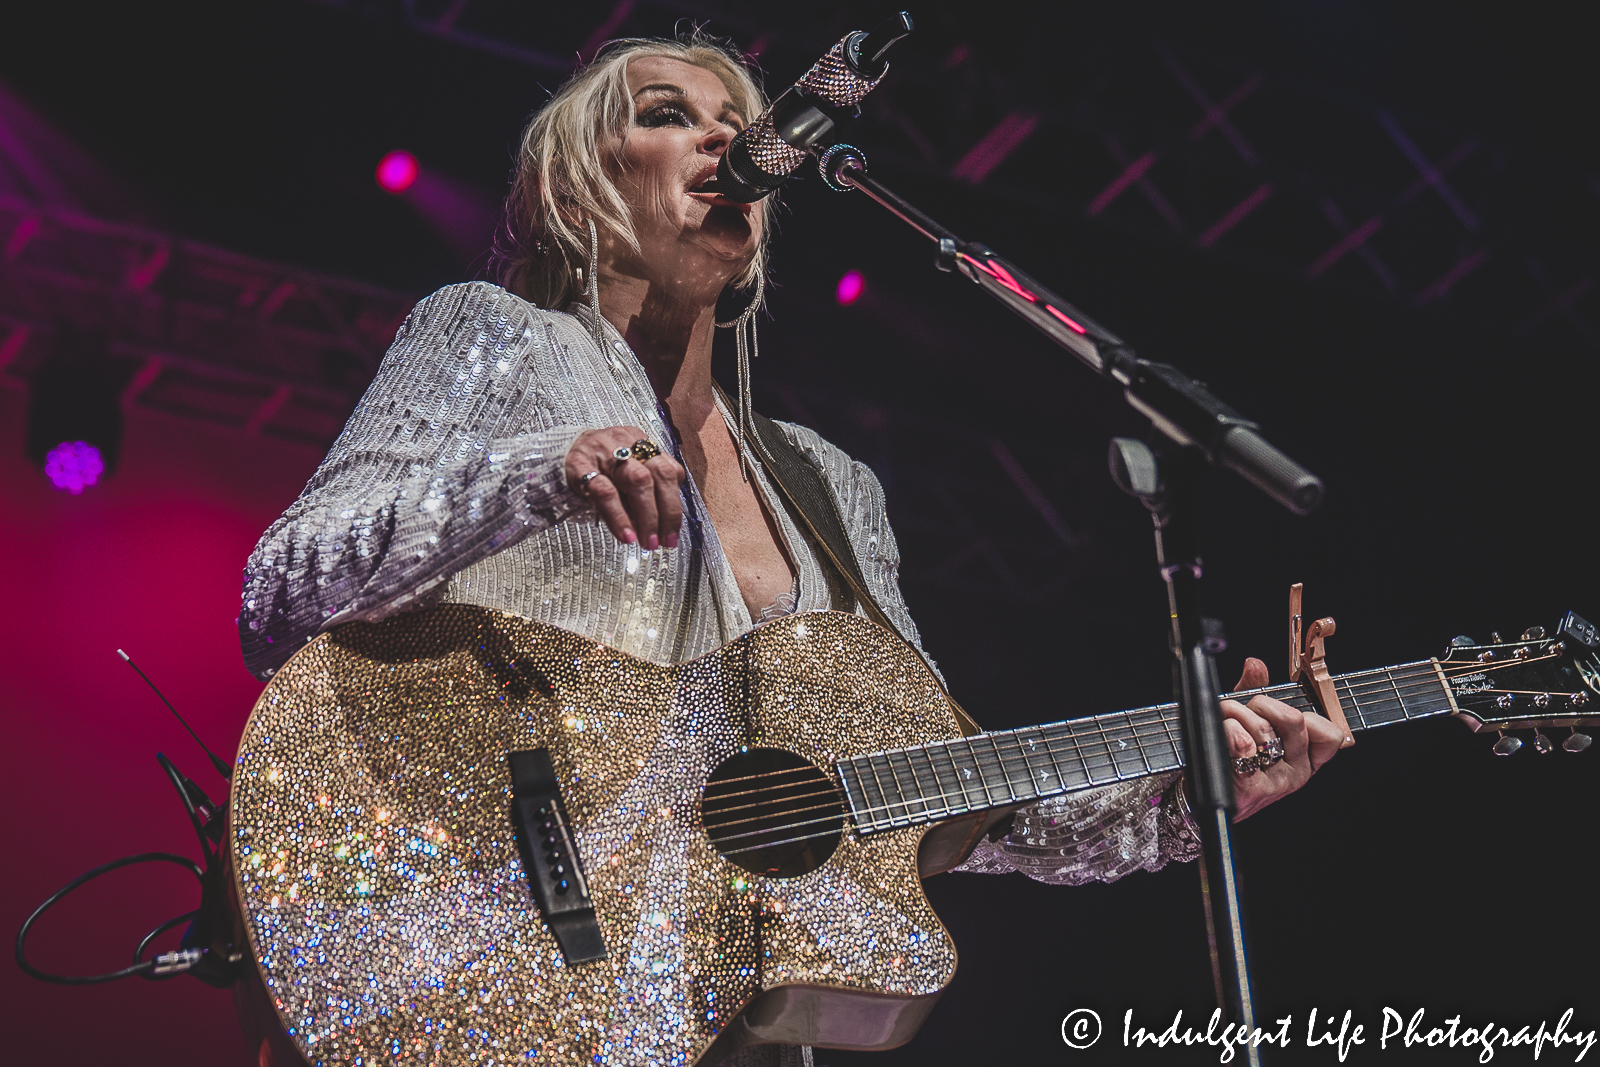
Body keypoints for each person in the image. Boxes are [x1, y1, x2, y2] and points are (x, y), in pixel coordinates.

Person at [235, 30, 1344, 1067]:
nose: (724, 139)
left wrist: (1177, 792)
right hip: (481, 930)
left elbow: (912, 785)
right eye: (669, 115)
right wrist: (537, 469)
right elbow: (282, 590)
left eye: (739, 118)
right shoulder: (493, 333)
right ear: (576, 186)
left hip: (724, 1011)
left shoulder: (831, 485)